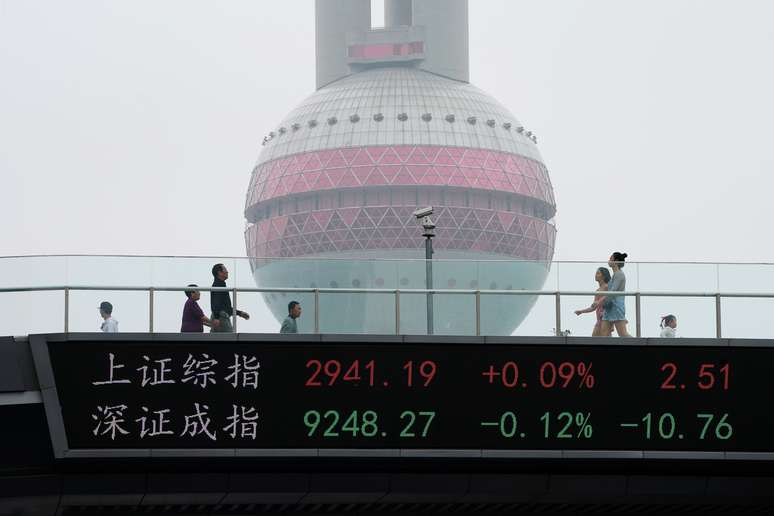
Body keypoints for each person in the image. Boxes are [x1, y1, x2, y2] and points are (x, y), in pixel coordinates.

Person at [599, 252, 632, 337]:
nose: (609, 261)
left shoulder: (619, 274)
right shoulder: (615, 274)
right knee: (604, 334)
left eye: (610, 259)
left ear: (616, 261)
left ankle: (640, 346)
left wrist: (599, 301)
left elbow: (613, 292)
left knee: (623, 334)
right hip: (609, 307)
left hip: (616, 307)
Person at [210, 263, 250, 333]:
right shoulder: (218, 285)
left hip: (219, 316)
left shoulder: (220, 284)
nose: (227, 272)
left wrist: (239, 313)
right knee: (229, 338)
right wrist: (216, 317)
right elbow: (216, 303)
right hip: (221, 317)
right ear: (219, 273)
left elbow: (225, 306)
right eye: (225, 269)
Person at [574, 267, 611, 336]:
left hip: (606, 318)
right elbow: (593, 307)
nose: (595, 275)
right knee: (595, 338)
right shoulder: (597, 291)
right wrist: (581, 311)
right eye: (596, 273)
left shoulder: (607, 287)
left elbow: (612, 299)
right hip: (599, 319)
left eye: (598, 273)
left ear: (604, 276)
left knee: (604, 340)